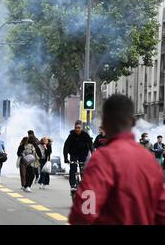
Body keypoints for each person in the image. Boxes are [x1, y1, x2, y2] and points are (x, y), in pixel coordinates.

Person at [69, 94, 165, 225]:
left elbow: (84, 212)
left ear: (104, 123)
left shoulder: (102, 159)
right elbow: (161, 212)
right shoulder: (150, 161)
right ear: (133, 122)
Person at [63, 120, 94, 192]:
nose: (77, 129)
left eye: (79, 128)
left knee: (83, 169)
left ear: (81, 128)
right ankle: (73, 185)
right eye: (76, 128)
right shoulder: (71, 135)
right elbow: (66, 147)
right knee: (73, 169)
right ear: (74, 128)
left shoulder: (85, 135)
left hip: (83, 154)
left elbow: (91, 146)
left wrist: (93, 156)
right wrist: (65, 158)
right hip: (73, 153)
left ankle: (84, 184)